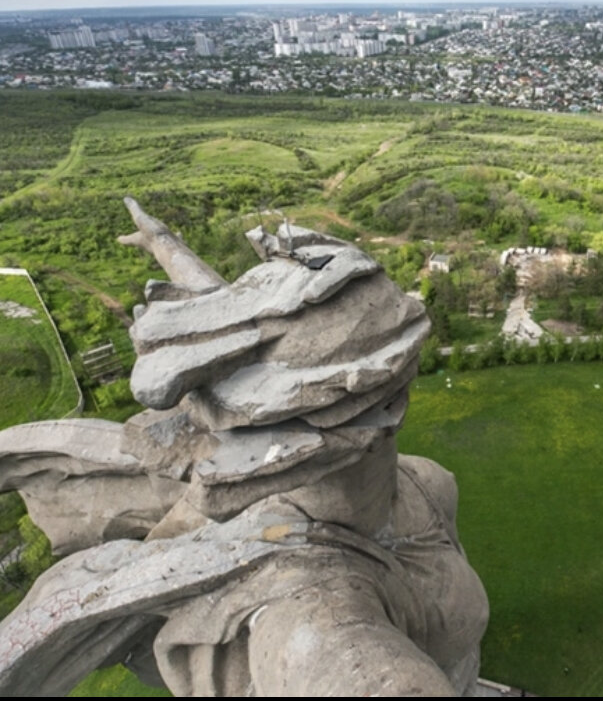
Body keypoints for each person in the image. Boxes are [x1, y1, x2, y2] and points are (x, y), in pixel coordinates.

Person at [0, 199, 488, 696]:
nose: (207, 441)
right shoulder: (312, 603)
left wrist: (166, 245)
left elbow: (265, 329)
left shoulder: (426, 485)